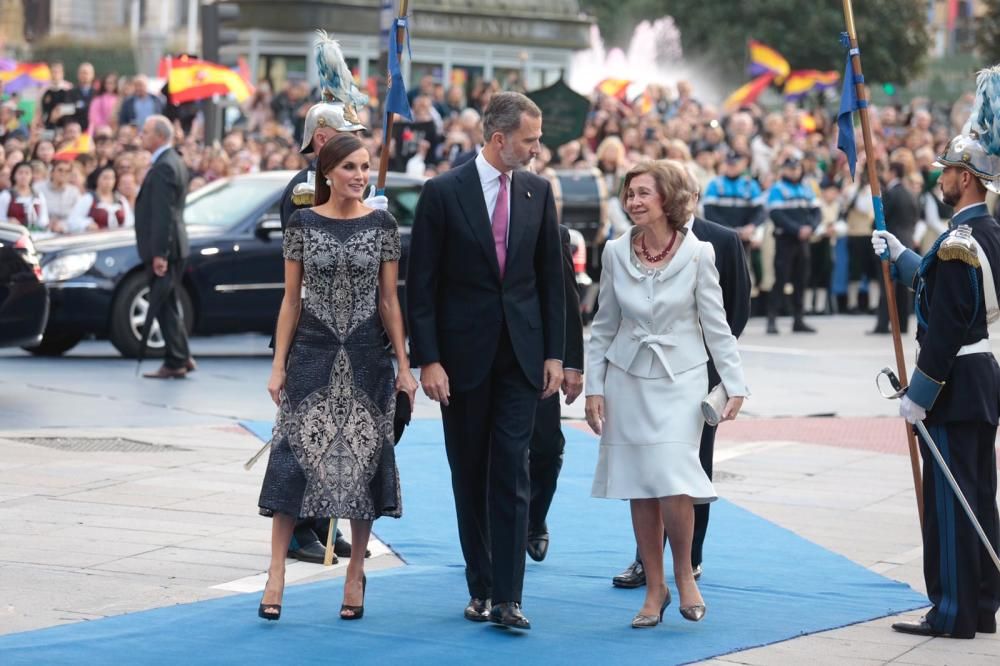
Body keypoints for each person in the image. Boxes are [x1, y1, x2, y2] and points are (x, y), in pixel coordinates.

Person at [407, 92, 565, 631]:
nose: (537, 149)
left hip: (521, 358)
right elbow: (421, 286)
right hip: (461, 361)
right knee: (469, 470)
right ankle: (479, 585)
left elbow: (551, 281)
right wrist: (427, 359)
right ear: (499, 140)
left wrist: (554, 354)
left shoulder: (538, 192)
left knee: (513, 470)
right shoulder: (442, 193)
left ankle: (508, 597)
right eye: (530, 140)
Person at [257, 133, 417, 622]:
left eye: (365, 167)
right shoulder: (302, 223)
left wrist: (405, 367)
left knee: (364, 463)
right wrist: (279, 363)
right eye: (350, 167)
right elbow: (291, 299)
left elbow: (389, 300)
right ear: (327, 171)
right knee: (292, 460)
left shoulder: (383, 224)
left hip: (369, 357)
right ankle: (276, 571)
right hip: (311, 354)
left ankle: (353, 574)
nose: (360, 176)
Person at [585, 160, 747, 628]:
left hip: (683, 380)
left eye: (643, 193)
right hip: (628, 379)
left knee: (675, 478)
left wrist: (734, 383)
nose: (633, 201)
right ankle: (653, 588)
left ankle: (684, 574)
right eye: (629, 193)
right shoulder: (616, 251)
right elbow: (603, 324)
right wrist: (595, 386)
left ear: (668, 199)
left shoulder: (700, 254)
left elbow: (717, 326)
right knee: (639, 483)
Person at [873, 128, 1000, 639]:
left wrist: (919, 395)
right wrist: (904, 257)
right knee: (978, 495)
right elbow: (942, 291)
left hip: (951, 380)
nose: (941, 179)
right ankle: (984, 603)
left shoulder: (955, 245)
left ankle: (951, 611)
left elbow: (944, 326)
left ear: (965, 179)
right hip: (981, 375)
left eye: (947, 171)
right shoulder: (985, 234)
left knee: (950, 503)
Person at [272, 31, 386, 564]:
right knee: (307, 439)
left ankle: (325, 521)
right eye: (344, 139)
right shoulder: (303, 189)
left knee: (341, 435)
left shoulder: (348, 185)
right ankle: (300, 530)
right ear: (321, 142)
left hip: (355, 332)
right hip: (316, 326)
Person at [527, 222, 584, 562]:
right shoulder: (466, 217)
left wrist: (572, 363)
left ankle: (535, 517)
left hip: (540, 358)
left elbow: (566, 298)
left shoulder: (553, 231)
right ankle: (494, 530)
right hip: (486, 355)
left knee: (547, 445)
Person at [134, 115, 193, 379]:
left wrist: (160, 253)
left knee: (163, 305)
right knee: (167, 302)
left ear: (159, 135)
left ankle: (176, 361)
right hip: (173, 247)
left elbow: (163, 214)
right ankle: (182, 354)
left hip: (166, 249)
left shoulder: (164, 166)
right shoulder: (172, 161)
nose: (141, 136)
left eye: (145, 132)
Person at [766, 156, 820, 334]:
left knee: (801, 280)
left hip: (803, 241)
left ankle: (799, 320)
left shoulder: (806, 188)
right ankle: (772, 320)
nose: (794, 172)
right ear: (784, 170)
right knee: (780, 279)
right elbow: (776, 215)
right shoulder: (778, 189)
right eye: (790, 169)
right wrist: (797, 229)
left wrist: (810, 227)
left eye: (796, 168)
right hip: (786, 240)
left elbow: (817, 212)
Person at [872, 161, 920, 334]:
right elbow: (916, 216)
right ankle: (903, 324)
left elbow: (881, 218)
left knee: (887, 284)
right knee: (903, 286)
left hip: (891, 243)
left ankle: (883, 324)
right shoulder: (909, 193)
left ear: (892, 172)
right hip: (906, 240)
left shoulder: (890, 194)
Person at [67, 164, 133, 233]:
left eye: (112, 178)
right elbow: (73, 221)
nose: (109, 181)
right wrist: (86, 224)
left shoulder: (121, 200)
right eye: (105, 178)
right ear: (97, 179)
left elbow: (129, 221)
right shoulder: (88, 198)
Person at [0, 161, 49, 230]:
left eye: (27, 173)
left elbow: (43, 220)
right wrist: (8, 222)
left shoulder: (39, 196)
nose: (24, 176)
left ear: (31, 176)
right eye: (20, 173)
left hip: (35, 234)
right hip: (12, 233)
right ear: (14, 175)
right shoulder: (6, 195)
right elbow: (1, 218)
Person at [35, 157, 80, 233]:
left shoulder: (74, 192)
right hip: (41, 231)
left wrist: (63, 226)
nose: (63, 174)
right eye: (60, 170)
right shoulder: (38, 188)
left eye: (67, 171)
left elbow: (77, 216)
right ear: (52, 173)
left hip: (66, 232)